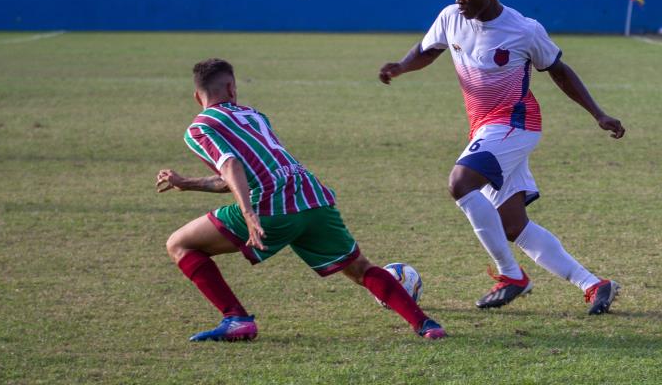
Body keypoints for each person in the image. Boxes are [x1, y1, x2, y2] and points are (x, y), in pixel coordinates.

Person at [378, 0, 625, 315]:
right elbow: (427, 50)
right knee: (512, 225)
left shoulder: (523, 30)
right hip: (486, 128)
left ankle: (512, 276)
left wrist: (598, 114)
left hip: (516, 124)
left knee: (460, 183)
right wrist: (400, 66)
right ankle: (594, 285)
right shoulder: (451, 17)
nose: (460, 0)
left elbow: (559, 71)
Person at [157, 58, 446, 341]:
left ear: (197, 96)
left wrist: (247, 213)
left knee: (179, 244)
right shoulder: (253, 115)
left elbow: (231, 166)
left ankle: (237, 319)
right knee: (361, 269)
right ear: (232, 88)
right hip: (312, 196)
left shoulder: (199, 128)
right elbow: (237, 176)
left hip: (270, 205)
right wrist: (188, 183)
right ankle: (425, 324)